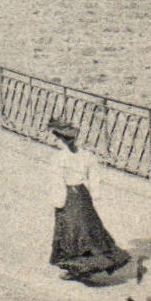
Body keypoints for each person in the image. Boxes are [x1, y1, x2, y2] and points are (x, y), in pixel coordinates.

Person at [48, 120, 130, 280]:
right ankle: (87, 266)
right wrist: (95, 194)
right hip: (83, 195)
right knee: (89, 230)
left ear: (62, 140)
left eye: (58, 139)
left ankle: (78, 268)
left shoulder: (58, 158)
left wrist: (58, 201)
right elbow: (94, 177)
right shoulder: (87, 156)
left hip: (69, 196)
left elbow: (57, 182)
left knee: (71, 232)